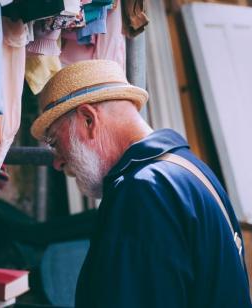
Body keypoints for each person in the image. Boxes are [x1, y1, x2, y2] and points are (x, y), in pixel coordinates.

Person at [30, 60, 251, 308]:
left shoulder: (144, 189)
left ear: (88, 119)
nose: (58, 162)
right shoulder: (186, 169)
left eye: (55, 142)